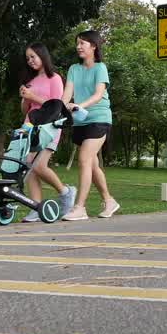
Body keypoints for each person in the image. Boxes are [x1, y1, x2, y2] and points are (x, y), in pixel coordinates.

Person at [61, 30, 119, 220]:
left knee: (84, 159)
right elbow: (67, 93)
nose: (78, 47)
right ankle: (109, 200)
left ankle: (80, 207)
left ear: (93, 46)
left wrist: (79, 105)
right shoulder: (73, 69)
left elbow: (98, 94)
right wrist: (59, 109)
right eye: (77, 43)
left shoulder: (100, 67)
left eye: (82, 43)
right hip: (80, 121)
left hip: (99, 118)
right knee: (92, 165)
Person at [17, 43, 76, 222]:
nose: (30, 61)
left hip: (50, 127)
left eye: (33, 56)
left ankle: (66, 192)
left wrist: (32, 96)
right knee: (29, 165)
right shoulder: (31, 81)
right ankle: (35, 207)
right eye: (27, 58)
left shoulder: (55, 78)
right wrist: (24, 99)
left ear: (43, 56)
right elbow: (26, 110)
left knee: (39, 166)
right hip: (30, 127)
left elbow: (55, 106)